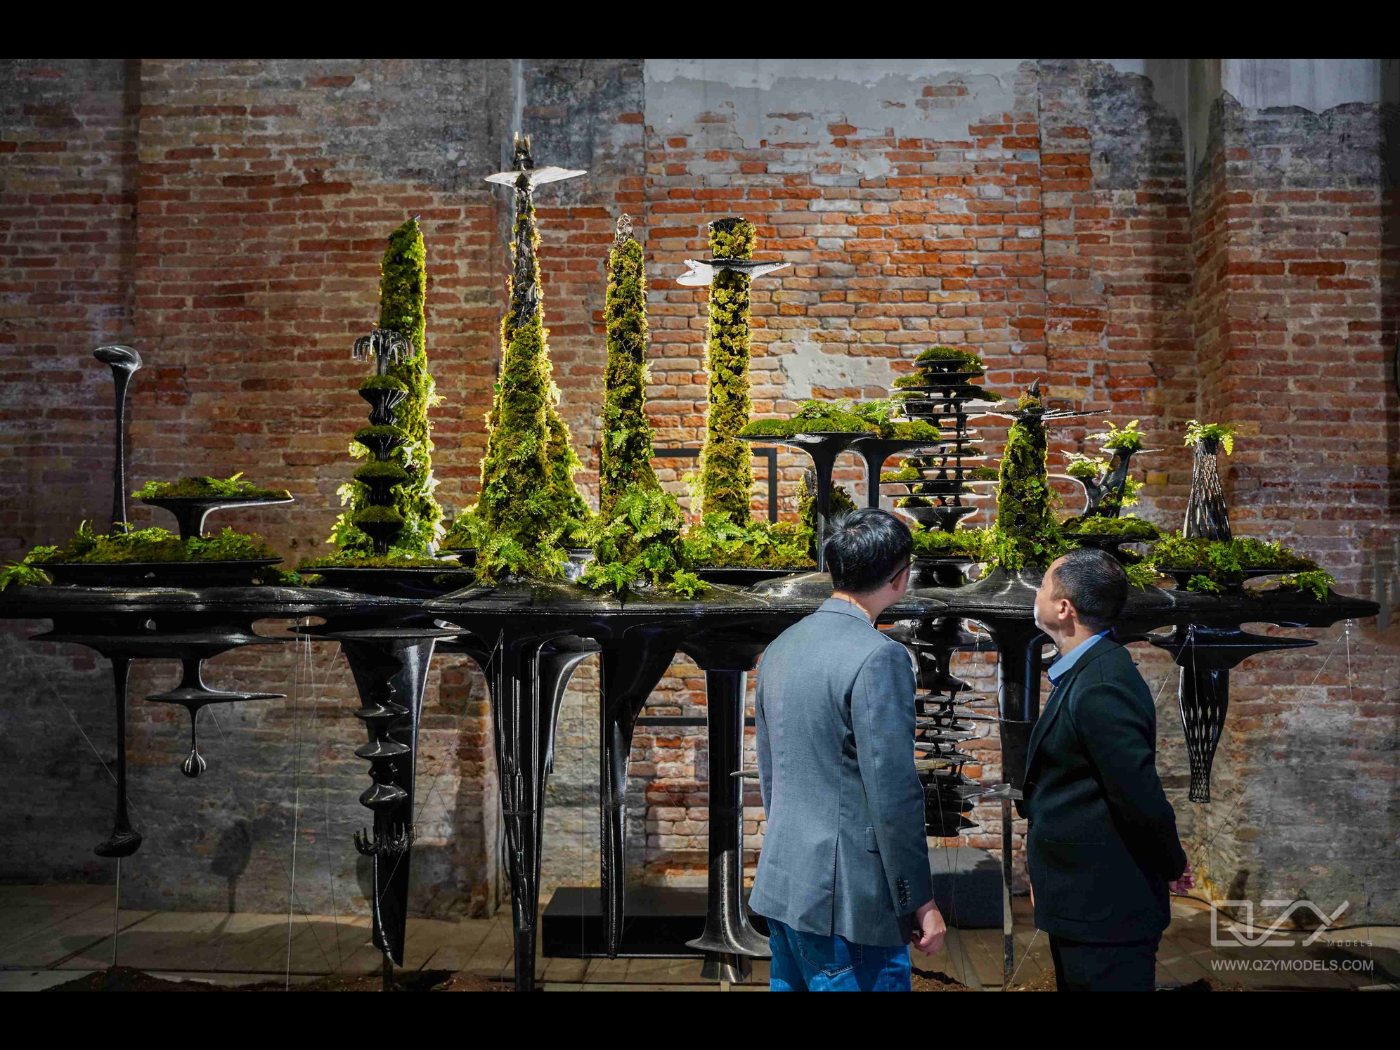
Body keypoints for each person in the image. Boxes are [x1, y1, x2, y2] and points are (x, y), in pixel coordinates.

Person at [750, 508, 946, 992]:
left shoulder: (781, 646)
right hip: (850, 904)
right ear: (900, 578)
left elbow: (772, 775)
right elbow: (893, 791)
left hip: (785, 882)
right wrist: (919, 899)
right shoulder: (879, 656)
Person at [1021, 546, 1191, 992]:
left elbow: (1137, 794)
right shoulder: (1085, 672)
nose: (1034, 593)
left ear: (1064, 608)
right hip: (1082, 900)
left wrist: (1171, 863)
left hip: (1106, 907)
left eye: (1042, 585)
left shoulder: (1100, 684)